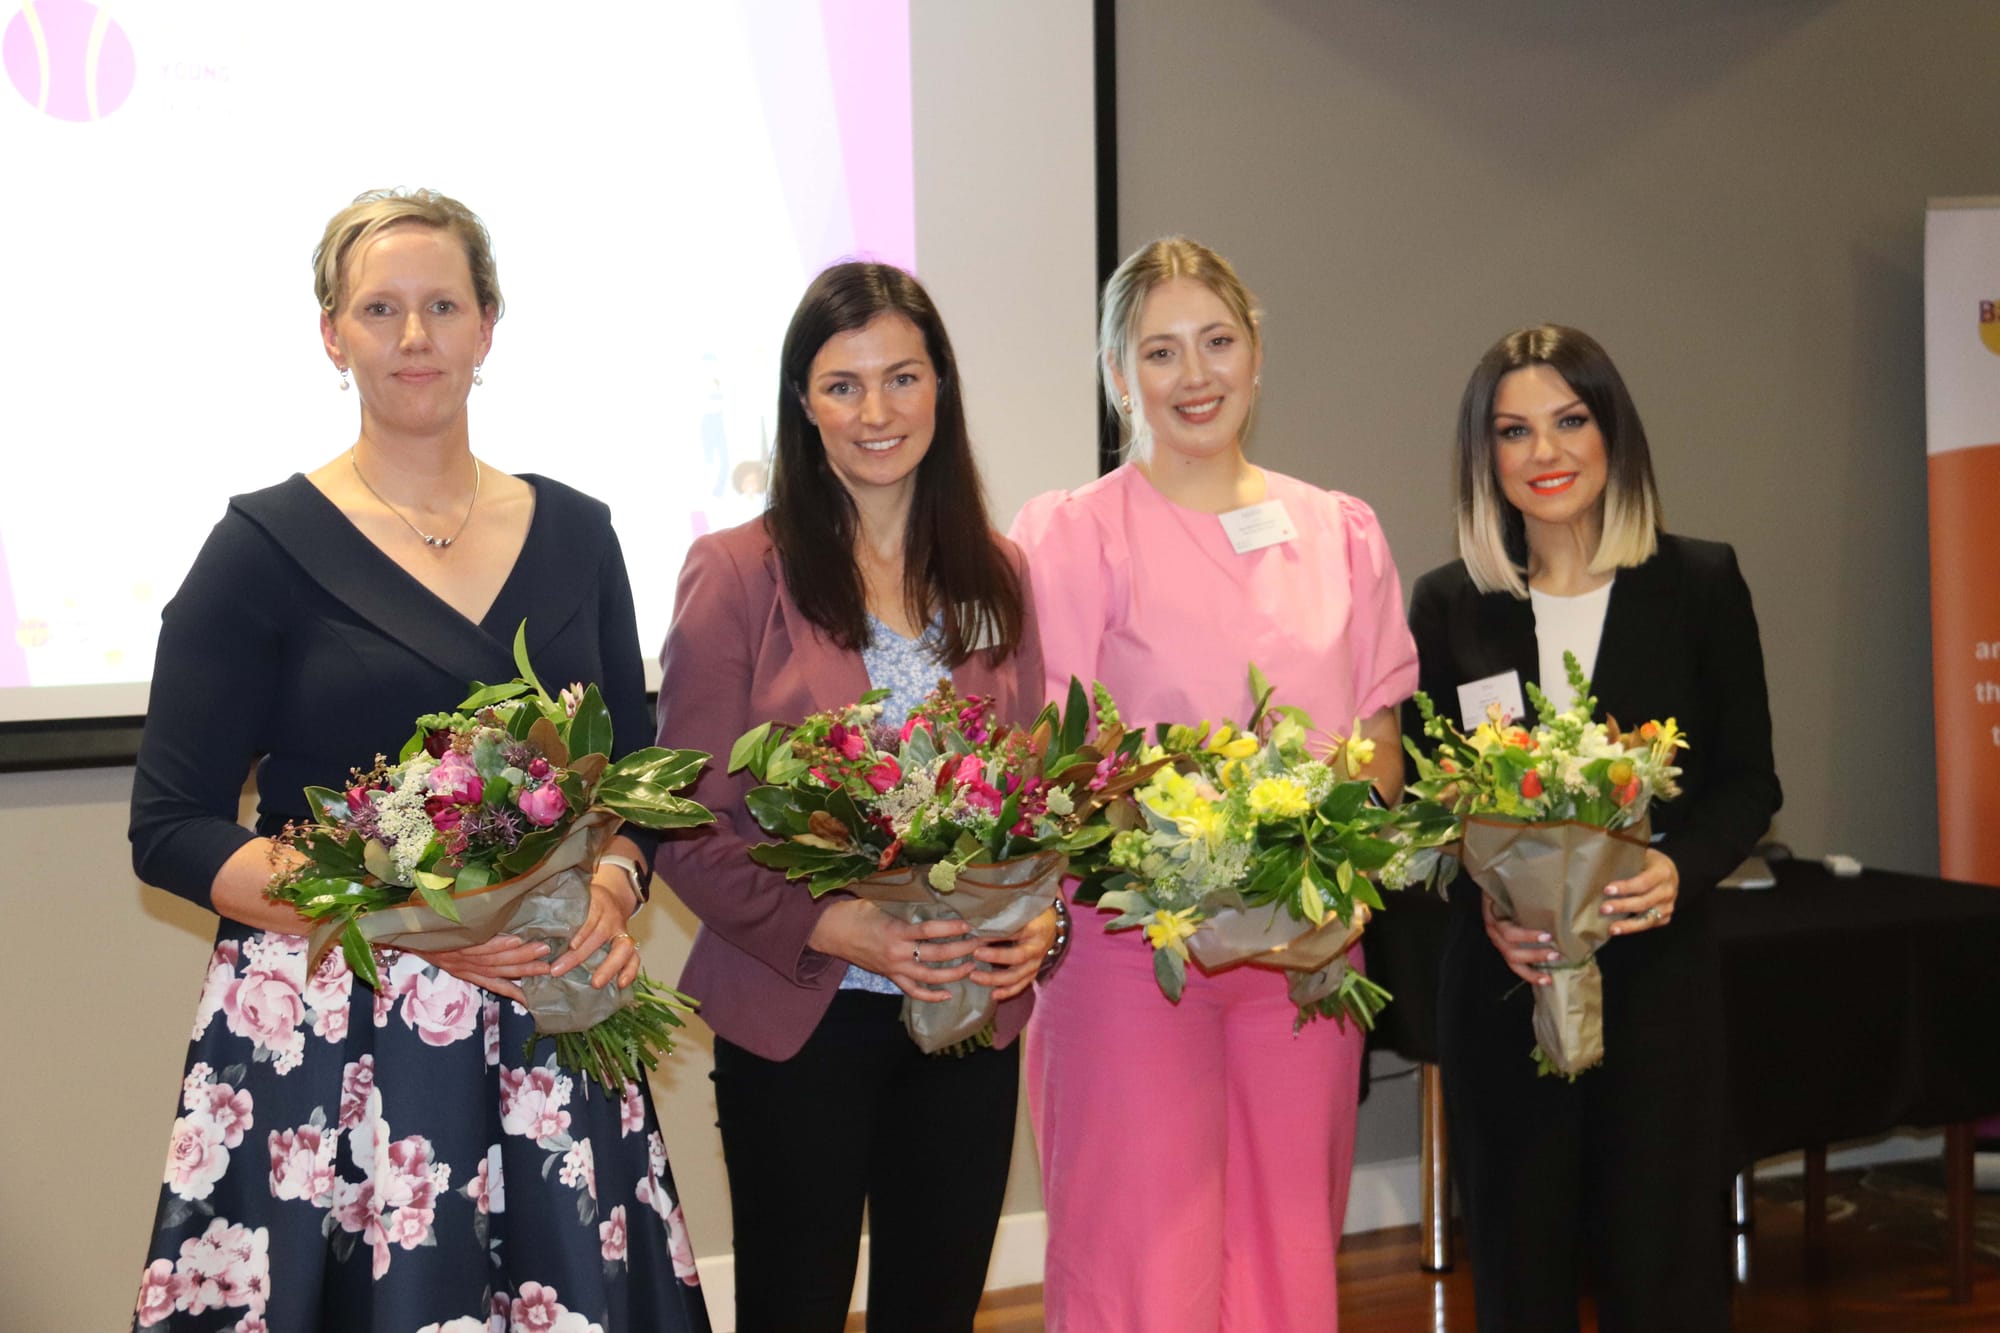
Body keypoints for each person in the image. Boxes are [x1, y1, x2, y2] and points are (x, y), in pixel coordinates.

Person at [127, 189, 710, 1333]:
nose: (413, 336)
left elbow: (635, 781)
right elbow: (172, 827)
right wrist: (403, 920)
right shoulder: (259, 547)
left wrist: (609, 886)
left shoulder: (578, 533)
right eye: (379, 308)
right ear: (330, 334)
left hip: (545, 1011)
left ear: (487, 325)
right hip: (333, 1034)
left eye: (442, 306)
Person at [1008, 237, 1418, 1331]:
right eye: (1160, 351)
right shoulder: (1071, 534)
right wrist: (1183, 875)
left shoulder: (1339, 531)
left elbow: (1378, 743)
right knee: (1140, 1261)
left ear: (1256, 355)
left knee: (1289, 1250)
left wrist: (1335, 879)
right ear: (1117, 375)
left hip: (1308, 951)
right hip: (1133, 953)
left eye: (1217, 342)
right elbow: (1053, 758)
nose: (1195, 375)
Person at [653, 261, 1054, 1333]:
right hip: (804, 1015)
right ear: (803, 403)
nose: (876, 412)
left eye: (901, 378)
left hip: (967, 1010)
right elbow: (684, 824)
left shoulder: (999, 572)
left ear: (940, 389)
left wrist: (1040, 921)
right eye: (842, 385)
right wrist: (842, 925)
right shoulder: (736, 573)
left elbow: (1032, 800)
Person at [1405, 324, 1782, 1331]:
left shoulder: (1699, 583)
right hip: (1503, 990)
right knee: (1519, 1284)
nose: (1545, 452)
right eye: (1513, 430)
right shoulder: (1448, 604)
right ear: (1484, 454)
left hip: (1658, 993)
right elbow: (1426, 808)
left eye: (1569, 420)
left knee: (1663, 1283)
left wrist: (1677, 867)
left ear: (1613, 431)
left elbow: (1749, 781)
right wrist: (1486, 906)